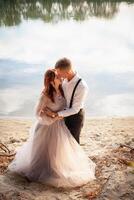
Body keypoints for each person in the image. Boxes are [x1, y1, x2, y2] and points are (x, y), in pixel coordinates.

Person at [7, 69, 96, 188]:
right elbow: (37, 113)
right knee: (42, 152)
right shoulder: (45, 95)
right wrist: (51, 118)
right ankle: (36, 173)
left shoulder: (62, 90)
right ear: (52, 81)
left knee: (57, 153)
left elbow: (66, 109)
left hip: (59, 127)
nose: (61, 78)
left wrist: (55, 115)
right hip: (45, 127)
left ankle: (54, 170)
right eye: (58, 77)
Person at [44, 58, 88, 144]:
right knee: (63, 144)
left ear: (67, 72)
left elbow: (75, 109)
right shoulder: (63, 79)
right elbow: (61, 96)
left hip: (75, 117)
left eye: (59, 74)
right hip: (63, 115)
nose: (58, 76)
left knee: (73, 143)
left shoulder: (81, 86)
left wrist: (55, 114)